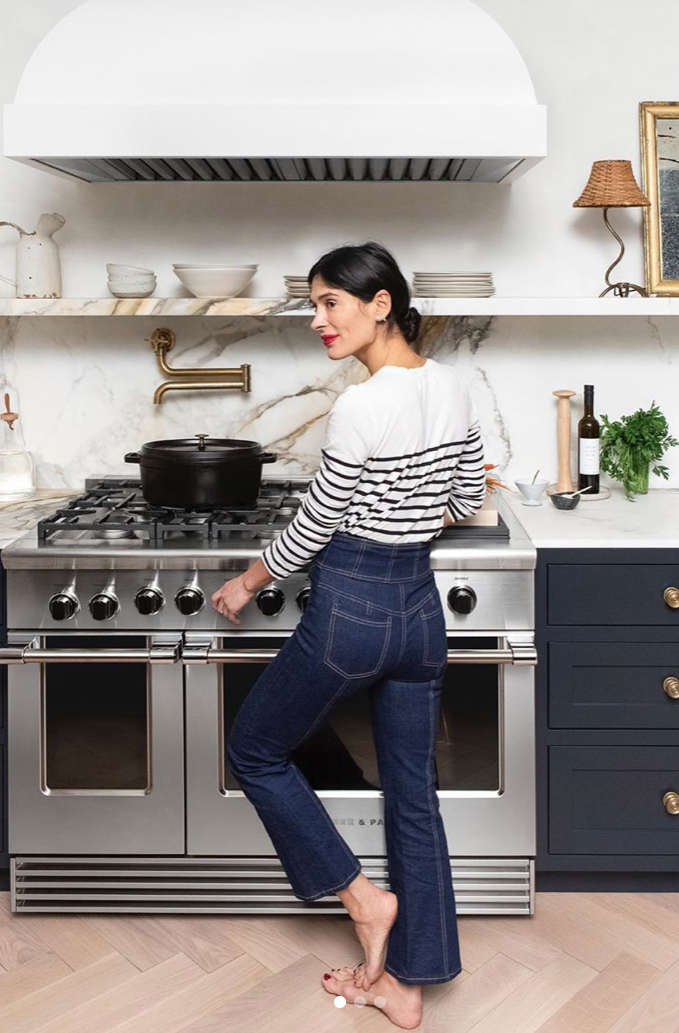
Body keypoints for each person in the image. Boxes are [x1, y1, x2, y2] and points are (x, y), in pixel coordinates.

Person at [211, 241, 486, 1030]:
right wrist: (411, 501)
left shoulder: (361, 407)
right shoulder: (454, 386)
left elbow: (318, 524)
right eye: (314, 303)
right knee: (413, 794)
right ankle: (405, 989)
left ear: (381, 303)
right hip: (419, 610)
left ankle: (363, 900)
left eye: (330, 302)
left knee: (255, 750)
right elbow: (466, 495)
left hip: (354, 608)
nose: (317, 319)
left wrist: (249, 580)